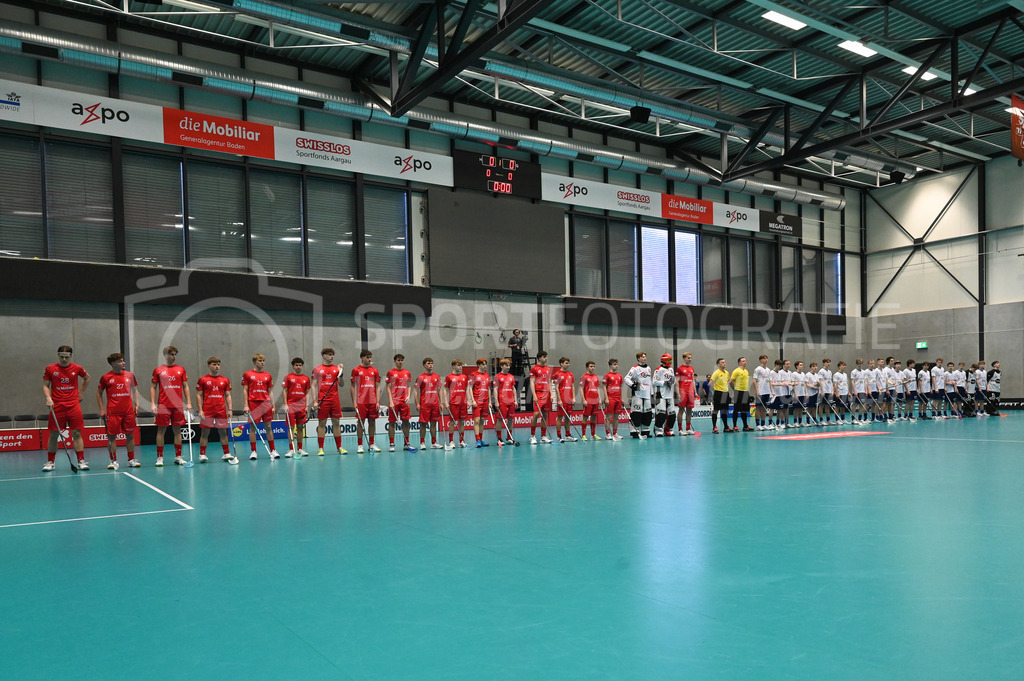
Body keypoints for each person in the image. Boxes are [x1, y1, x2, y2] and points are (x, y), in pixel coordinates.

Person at [96, 352, 139, 469]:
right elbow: (99, 393)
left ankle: (131, 459)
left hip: (128, 411)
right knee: (112, 437)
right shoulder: (105, 377)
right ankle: (113, 460)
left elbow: (134, 390)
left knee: (130, 435)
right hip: (113, 412)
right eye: (120, 361)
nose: (123, 363)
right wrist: (101, 409)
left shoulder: (129, 375)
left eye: (123, 360)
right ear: (113, 364)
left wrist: (137, 404)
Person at [151, 345, 191, 466]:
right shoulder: (158, 370)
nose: (174, 357)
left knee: (177, 431)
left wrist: (188, 402)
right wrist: (153, 404)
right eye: (171, 354)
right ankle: (160, 458)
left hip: (178, 405)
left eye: (175, 355)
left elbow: (185, 386)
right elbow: (153, 387)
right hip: (163, 405)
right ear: (165, 355)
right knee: (161, 431)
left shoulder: (181, 369)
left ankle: (178, 456)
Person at [195, 356, 237, 465]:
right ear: (209, 366)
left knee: (223, 432)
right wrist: (200, 410)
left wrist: (230, 409)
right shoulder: (203, 380)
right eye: (214, 364)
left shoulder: (225, 380)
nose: (217, 366)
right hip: (207, 410)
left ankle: (226, 453)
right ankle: (202, 454)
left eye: (218, 364)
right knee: (205, 432)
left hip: (221, 410)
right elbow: (199, 395)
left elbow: (228, 395)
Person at [242, 353, 280, 460]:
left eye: (263, 361)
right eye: (260, 361)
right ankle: (253, 451)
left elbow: (270, 391)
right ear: (254, 362)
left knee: (268, 427)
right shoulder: (248, 374)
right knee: (253, 428)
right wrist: (246, 405)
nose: (262, 363)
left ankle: (273, 450)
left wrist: (272, 405)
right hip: (253, 403)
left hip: (266, 404)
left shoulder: (267, 375)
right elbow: (245, 390)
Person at [312, 348, 345, 455]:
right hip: (322, 400)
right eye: (329, 355)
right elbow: (313, 386)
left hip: (335, 400)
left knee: (336, 423)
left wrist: (341, 373)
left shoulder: (336, 369)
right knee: (322, 423)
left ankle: (339, 447)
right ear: (323, 355)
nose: (332, 357)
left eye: (333, 355)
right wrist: (315, 401)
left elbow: (341, 384)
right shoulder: (317, 369)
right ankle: (321, 448)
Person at [351, 350, 382, 454]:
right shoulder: (356, 370)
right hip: (361, 401)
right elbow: (352, 386)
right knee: (361, 422)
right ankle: (360, 445)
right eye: (367, 357)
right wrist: (354, 401)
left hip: (372, 401)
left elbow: (377, 386)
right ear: (362, 357)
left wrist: (378, 401)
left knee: (372, 422)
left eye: (370, 357)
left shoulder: (375, 370)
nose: (369, 359)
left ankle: (372, 444)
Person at [386, 354, 417, 452]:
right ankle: (392, 444)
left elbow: (409, 385)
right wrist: (390, 401)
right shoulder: (390, 372)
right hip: (394, 402)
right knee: (392, 423)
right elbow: (388, 387)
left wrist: (408, 396)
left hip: (404, 402)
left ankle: (406, 443)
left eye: (402, 360)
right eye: (398, 360)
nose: (400, 362)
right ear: (395, 361)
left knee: (406, 422)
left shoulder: (407, 373)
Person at [282, 357, 311, 457]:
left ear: (302, 366)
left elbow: (307, 393)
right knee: (291, 428)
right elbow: (284, 391)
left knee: (300, 428)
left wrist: (307, 405)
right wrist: (285, 404)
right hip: (291, 406)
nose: (298, 367)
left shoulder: (306, 378)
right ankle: (291, 449)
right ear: (293, 366)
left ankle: (300, 449)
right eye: (296, 365)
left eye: (300, 365)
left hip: (301, 407)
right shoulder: (288, 377)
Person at [414, 358, 443, 449]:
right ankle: (422, 443)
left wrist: (441, 402)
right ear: (424, 365)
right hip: (424, 404)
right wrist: (417, 404)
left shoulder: (437, 377)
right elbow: (416, 391)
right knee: (423, 424)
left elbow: (439, 390)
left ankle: (434, 442)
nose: (430, 365)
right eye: (428, 363)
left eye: (432, 363)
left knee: (434, 423)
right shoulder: (420, 377)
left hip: (435, 404)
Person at [623, 352, 653, 438]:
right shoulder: (635, 368)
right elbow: (626, 378)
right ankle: (634, 431)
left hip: (647, 394)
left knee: (648, 414)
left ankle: (645, 431)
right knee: (636, 413)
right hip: (638, 394)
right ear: (638, 359)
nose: (644, 358)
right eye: (642, 357)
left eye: (645, 357)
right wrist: (633, 385)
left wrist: (652, 394)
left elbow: (649, 382)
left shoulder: (648, 368)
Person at [442, 359, 469, 450]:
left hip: (463, 403)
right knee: (452, 422)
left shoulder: (464, 377)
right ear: (453, 366)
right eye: (458, 365)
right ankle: (451, 441)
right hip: (453, 403)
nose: (460, 367)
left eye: (461, 365)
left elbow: (467, 389)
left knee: (462, 422)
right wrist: (446, 402)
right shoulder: (449, 377)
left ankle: (461, 441)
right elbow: (445, 390)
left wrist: (468, 400)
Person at [529, 351, 554, 444]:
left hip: (547, 394)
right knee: (536, 414)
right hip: (538, 394)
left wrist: (551, 394)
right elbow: (532, 382)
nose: (546, 358)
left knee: (545, 415)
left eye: (546, 357)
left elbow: (549, 382)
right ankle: (532, 436)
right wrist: (534, 395)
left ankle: (543, 436)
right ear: (539, 358)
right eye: (544, 357)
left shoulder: (548, 369)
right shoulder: (534, 369)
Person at [493, 358, 518, 444]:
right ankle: (499, 439)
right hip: (502, 402)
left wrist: (515, 400)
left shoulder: (511, 376)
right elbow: (495, 389)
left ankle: (509, 437)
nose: (508, 367)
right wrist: (496, 401)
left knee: (510, 419)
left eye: (509, 365)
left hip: (511, 402)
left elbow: (513, 388)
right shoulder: (497, 377)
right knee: (500, 420)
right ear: (502, 366)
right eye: (506, 365)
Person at [553, 357, 577, 442]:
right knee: (560, 417)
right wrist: (559, 399)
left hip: (569, 399)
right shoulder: (558, 374)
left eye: (568, 363)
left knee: (568, 417)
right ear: (561, 364)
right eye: (566, 363)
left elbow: (572, 386)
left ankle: (568, 435)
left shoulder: (570, 374)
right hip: (562, 399)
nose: (568, 364)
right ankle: (559, 436)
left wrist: (573, 398)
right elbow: (556, 388)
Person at [675, 352, 699, 436]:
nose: (690, 359)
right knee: (681, 410)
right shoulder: (680, 369)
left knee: (689, 410)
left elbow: (692, 380)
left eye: (691, 358)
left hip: (690, 392)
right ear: (684, 358)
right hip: (683, 392)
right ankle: (680, 429)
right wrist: (678, 393)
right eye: (688, 358)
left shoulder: (692, 368)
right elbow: (677, 381)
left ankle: (688, 429)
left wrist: (695, 392)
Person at [469, 358, 492, 448]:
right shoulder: (473, 375)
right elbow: (470, 387)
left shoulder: (487, 375)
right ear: (478, 365)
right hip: (477, 401)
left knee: (482, 420)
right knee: (477, 420)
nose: (484, 366)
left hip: (485, 401)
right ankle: (477, 440)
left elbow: (489, 388)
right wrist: (473, 400)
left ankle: (481, 439)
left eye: (485, 364)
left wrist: (490, 401)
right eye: (482, 364)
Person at [652, 353, 676, 436]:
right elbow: (654, 382)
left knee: (672, 415)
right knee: (661, 415)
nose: (670, 362)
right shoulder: (658, 370)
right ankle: (658, 429)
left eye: (671, 360)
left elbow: (673, 380)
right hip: (660, 395)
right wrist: (665, 382)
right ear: (664, 360)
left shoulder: (671, 370)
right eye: (668, 360)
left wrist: (672, 382)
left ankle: (668, 429)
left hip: (669, 394)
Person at [602, 358, 624, 441]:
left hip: (618, 398)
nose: (616, 366)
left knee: (616, 417)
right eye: (614, 364)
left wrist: (621, 398)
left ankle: (615, 433)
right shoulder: (607, 375)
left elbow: (620, 387)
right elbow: (604, 386)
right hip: (610, 398)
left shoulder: (619, 376)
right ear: (610, 365)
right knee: (608, 417)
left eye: (617, 364)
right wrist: (606, 398)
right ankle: (608, 434)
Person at [579, 361, 602, 441]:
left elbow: (597, 388)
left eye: (594, 366)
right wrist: (584, 400)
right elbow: (581, 388)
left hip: (595, 401)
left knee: (594, 418)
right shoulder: (584, 377)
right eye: (591, 366)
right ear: (587, 367)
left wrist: (599, 399)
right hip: (588, 401)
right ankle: (583, 435)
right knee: (585, 418)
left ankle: (593, 434)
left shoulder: (595, 376)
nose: (593, 368)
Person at [730, 357, 751, 431]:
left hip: (745, 392)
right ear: (739, 363)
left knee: (744, 410)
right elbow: (731, 381)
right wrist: (735, 389)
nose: (745, 362)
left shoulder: (746, 371)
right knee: (736, 409)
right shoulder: (736, 371)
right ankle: (735, 426)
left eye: (745, 361)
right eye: (743, 361)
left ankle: (745, 426)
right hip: (738, 392)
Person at [709, 358, 731, 434]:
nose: (724, 363)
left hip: (725, 393)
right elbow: (710, 383)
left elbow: (727, 382)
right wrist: (714, 390)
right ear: (718, 364)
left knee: (725, 410)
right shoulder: (716, 373)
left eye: (725, 362)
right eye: (722, 362)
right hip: (718, 393)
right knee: (716, 410)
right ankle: (714, 427)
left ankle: (726, 427)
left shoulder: (727, 373)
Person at [752, 354, 773, 431]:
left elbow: (769, 381)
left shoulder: (768, 369)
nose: (766, 360)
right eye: (764, 358)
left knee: (764, 408)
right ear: (761, 360)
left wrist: (771, 391)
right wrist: (757, 390)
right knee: (758, 408)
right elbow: (754, 380)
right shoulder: (758, 369)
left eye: (767, 358)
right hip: (760, 391)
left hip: (767, 392)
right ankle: (758, 424)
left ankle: (763, 424)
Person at [817, 358, 834, 425]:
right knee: (821, 405)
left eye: (829, 362)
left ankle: (828, 419)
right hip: (823, 391)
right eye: (827, 362)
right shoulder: (821, 371)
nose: (828, 363)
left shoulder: (830, 372)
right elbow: (820, 381)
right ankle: (821, 420)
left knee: (828, 405)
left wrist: (832, 390)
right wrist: (822, 391)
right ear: (824, 363)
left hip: (829, 391)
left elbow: (830, 382)